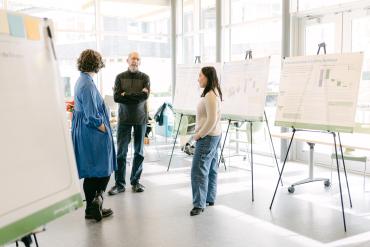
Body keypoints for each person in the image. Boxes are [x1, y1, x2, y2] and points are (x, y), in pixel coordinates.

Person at [71, 49, 117, 221]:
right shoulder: (88, 84)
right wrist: (104, 128)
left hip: (85, 131)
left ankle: (92, 207)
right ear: (96, 64)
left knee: (93, 169)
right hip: (92, 133)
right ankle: (95, 203)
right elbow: (91, 116)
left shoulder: (83, 80)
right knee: (102, 169)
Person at [108, 51, 150, 195]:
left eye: (138, 59)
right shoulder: (120, 77)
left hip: (140, 119)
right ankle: (119, 184)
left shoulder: (145, 78)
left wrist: (126, 95)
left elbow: (144, 97)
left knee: (139, 152)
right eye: (133, 58)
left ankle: (136, 182)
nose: (135, 61)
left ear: (140, 62)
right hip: (124, 119)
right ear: (127, 60)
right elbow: (116, 98)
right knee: (121, 153)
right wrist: (134, 96)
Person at [190, 66, 222, 216]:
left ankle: (199, 204)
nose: (198, 78)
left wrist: (199, 135)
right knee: (211, 168)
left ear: (208, 77)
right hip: (214, 136)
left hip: (207, 137)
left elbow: (211, 120)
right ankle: (209, 198)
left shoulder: (210, 94)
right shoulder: (212, 92)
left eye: (200, 76)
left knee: (198, 170)